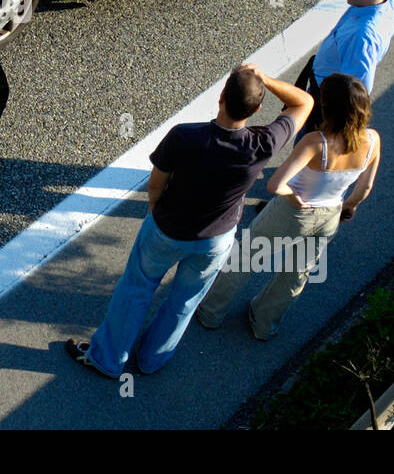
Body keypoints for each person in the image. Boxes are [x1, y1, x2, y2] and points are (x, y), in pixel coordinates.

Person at [65, 64, 313, 378]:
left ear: (221, 97)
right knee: (185, 299)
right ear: (258, 108)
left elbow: (157, 181)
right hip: (215, 240)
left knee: (136, 288)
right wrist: (263, 78)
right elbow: (304, 102)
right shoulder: (263, 143)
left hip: (167, 229)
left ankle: (108, 359)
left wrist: (155, 207)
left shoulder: (185, 135)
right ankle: (153, 359)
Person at [196, 73, 381, 339]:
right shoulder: (373, 140)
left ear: (328, 106)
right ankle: (263, 324)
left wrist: (294, 198)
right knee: (296, 274)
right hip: (330, 216)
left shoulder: (316, 143)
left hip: (293, 213)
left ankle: (210, 313)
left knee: (247, 259)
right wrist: (347, 207)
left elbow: (276, 185)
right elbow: (365, 188)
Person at [297, 0, 394, 130]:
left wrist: (330, 127)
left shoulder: (362, 36)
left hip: (326, 107)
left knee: (306, 148)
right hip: (322, 89)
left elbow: (355, 91)